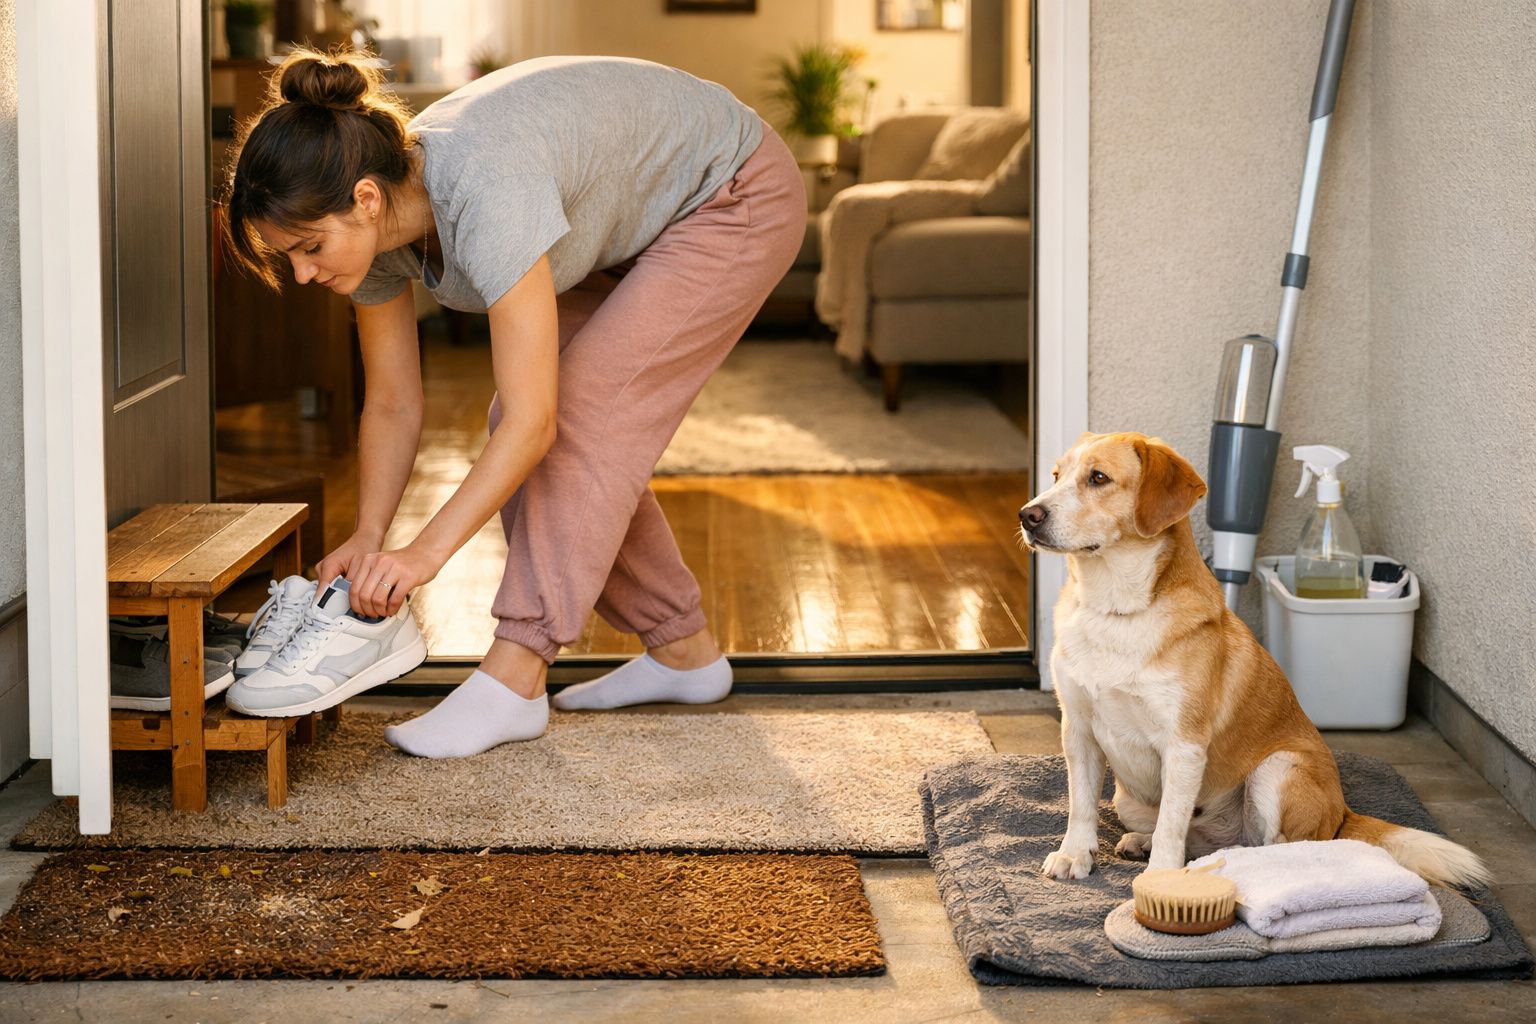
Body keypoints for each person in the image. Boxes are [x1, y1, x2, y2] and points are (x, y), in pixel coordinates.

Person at [220, 49, 804, 757]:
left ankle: (516, 676)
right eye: (290, 258)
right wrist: (371, 535)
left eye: (310, 247)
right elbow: (395, 404)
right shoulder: (374, 243)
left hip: (731, 194)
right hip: (625, 223)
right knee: (533, 424)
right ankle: (684, 651)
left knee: (563, 421)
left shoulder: (483, 187)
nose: (305, 273)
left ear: (366, 199)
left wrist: (423, 557)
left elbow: (539, 423)